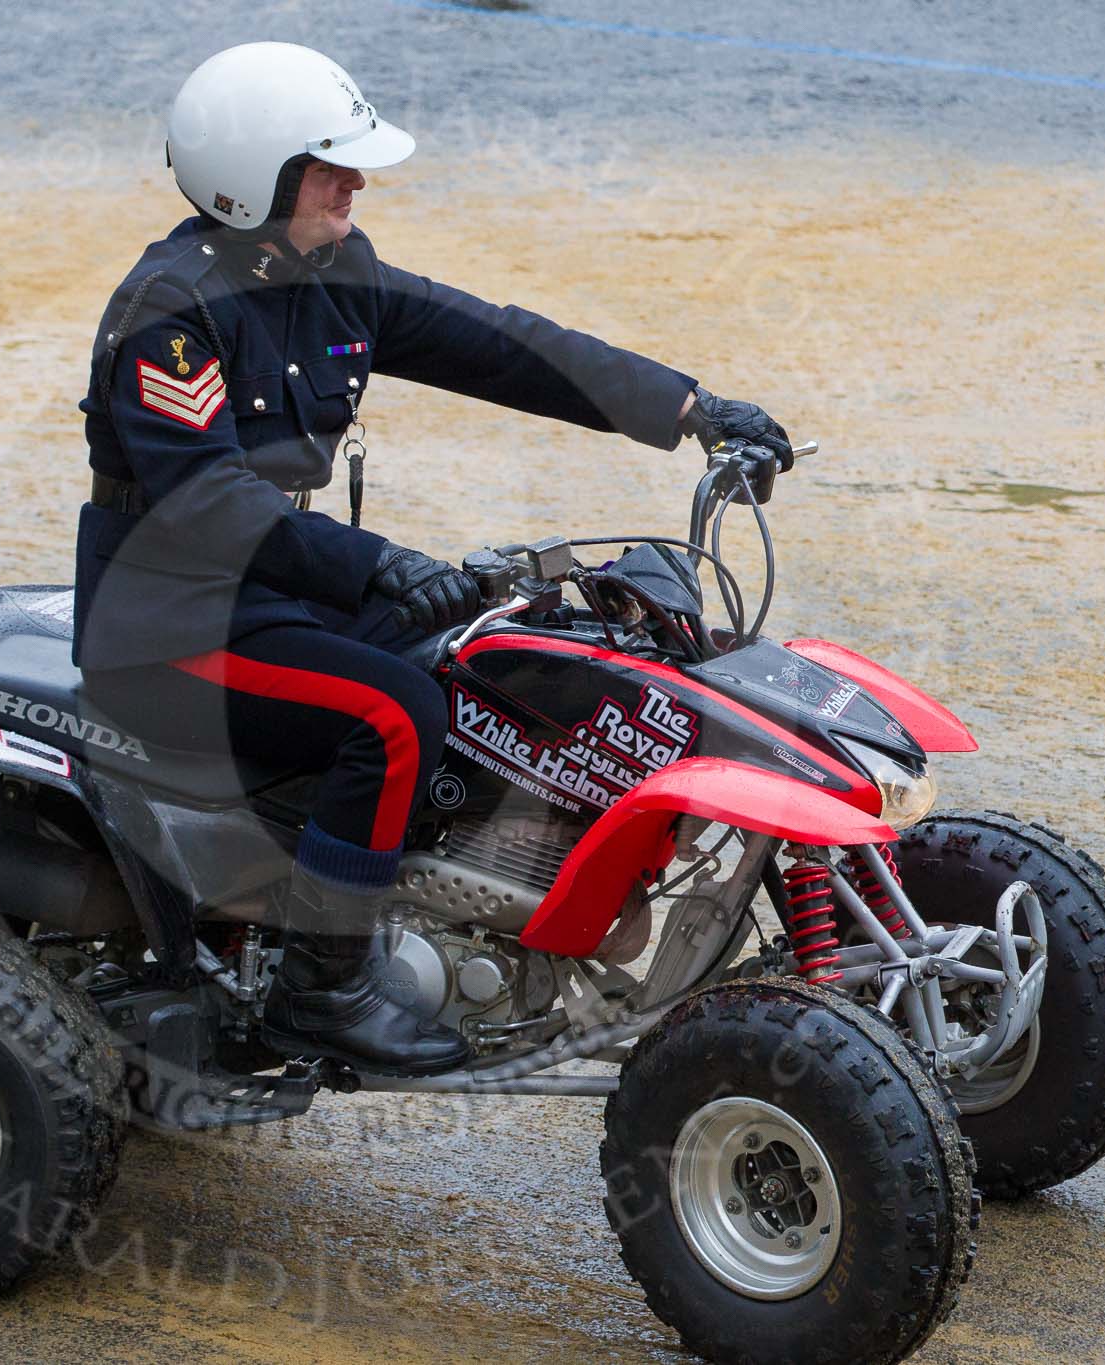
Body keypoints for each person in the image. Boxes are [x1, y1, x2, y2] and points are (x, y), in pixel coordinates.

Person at [74, 42, 792, 1075]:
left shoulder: (334, 272)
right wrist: (375, 566)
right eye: (330, 169)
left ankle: (451, 907)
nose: (356, 185)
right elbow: (204, 503)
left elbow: (503, 344)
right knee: (388, 710)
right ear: (252, 178)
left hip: (273, 589)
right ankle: (318, 992)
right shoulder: (171, 312)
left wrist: (690, 410)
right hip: (167, 614)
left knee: (496, 657)